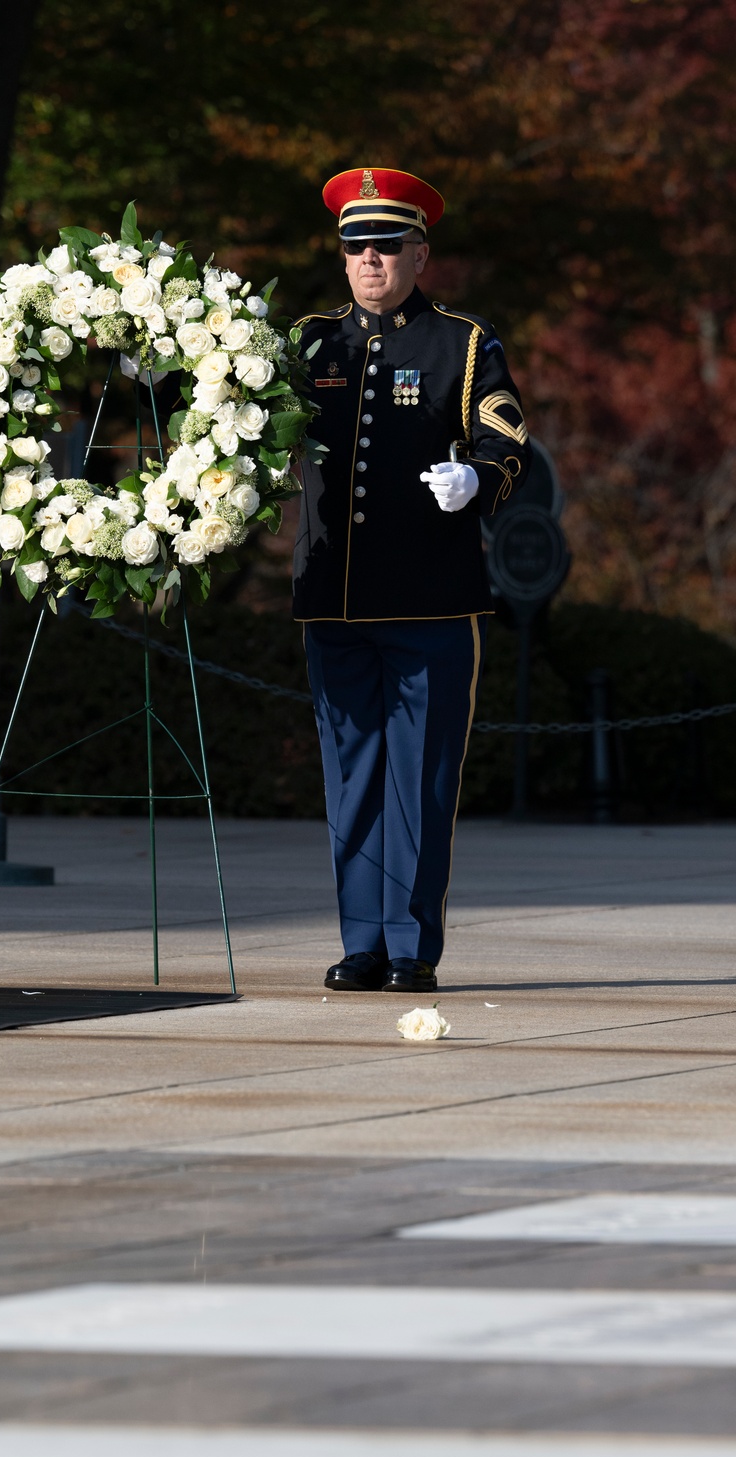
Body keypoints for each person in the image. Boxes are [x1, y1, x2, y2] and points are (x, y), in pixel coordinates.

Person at [295, 167, 530, 994]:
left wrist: (479, 479)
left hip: (431, 596)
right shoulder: (308, 342)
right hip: (336, 598)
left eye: (387, 246)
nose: (369, 260)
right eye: (355, 246)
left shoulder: (462, 344)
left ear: (419, 254)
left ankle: (410, 946)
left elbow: (508, 436)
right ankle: (361, 941)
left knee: (420, 779)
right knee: (352, 774)